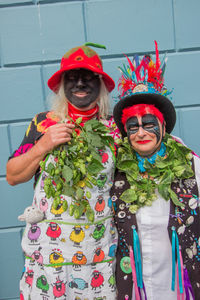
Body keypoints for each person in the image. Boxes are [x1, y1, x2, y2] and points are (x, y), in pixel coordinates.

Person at [6, 43, 120, 299]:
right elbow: (13, 176)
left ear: (100, 83)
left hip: (97, 253)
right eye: (72, 77)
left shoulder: (114, 128)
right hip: (49, 253)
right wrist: (43, 145)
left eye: (88, 76)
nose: (80, 84)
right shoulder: (43, 122)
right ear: (62, 84)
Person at [111, 41, 200, 300]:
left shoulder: (191, 166)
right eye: (132, 126)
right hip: (134, 286)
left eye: (148, 124)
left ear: (162, 126)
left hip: (182, 285)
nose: (140, 133)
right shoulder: (114, 171)